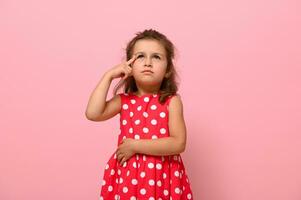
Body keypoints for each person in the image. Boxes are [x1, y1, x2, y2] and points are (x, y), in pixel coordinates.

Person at [85, 29, 194, 200]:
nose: (148, 63)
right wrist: (108, 76)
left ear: (167, 70)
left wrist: (135, 146)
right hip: (128, 177)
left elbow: (178, 143)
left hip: (162, 177)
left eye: (156, 57)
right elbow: (93, 113)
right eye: (140, 56)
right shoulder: (124, 101)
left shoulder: (171, 101)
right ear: (129, 66)